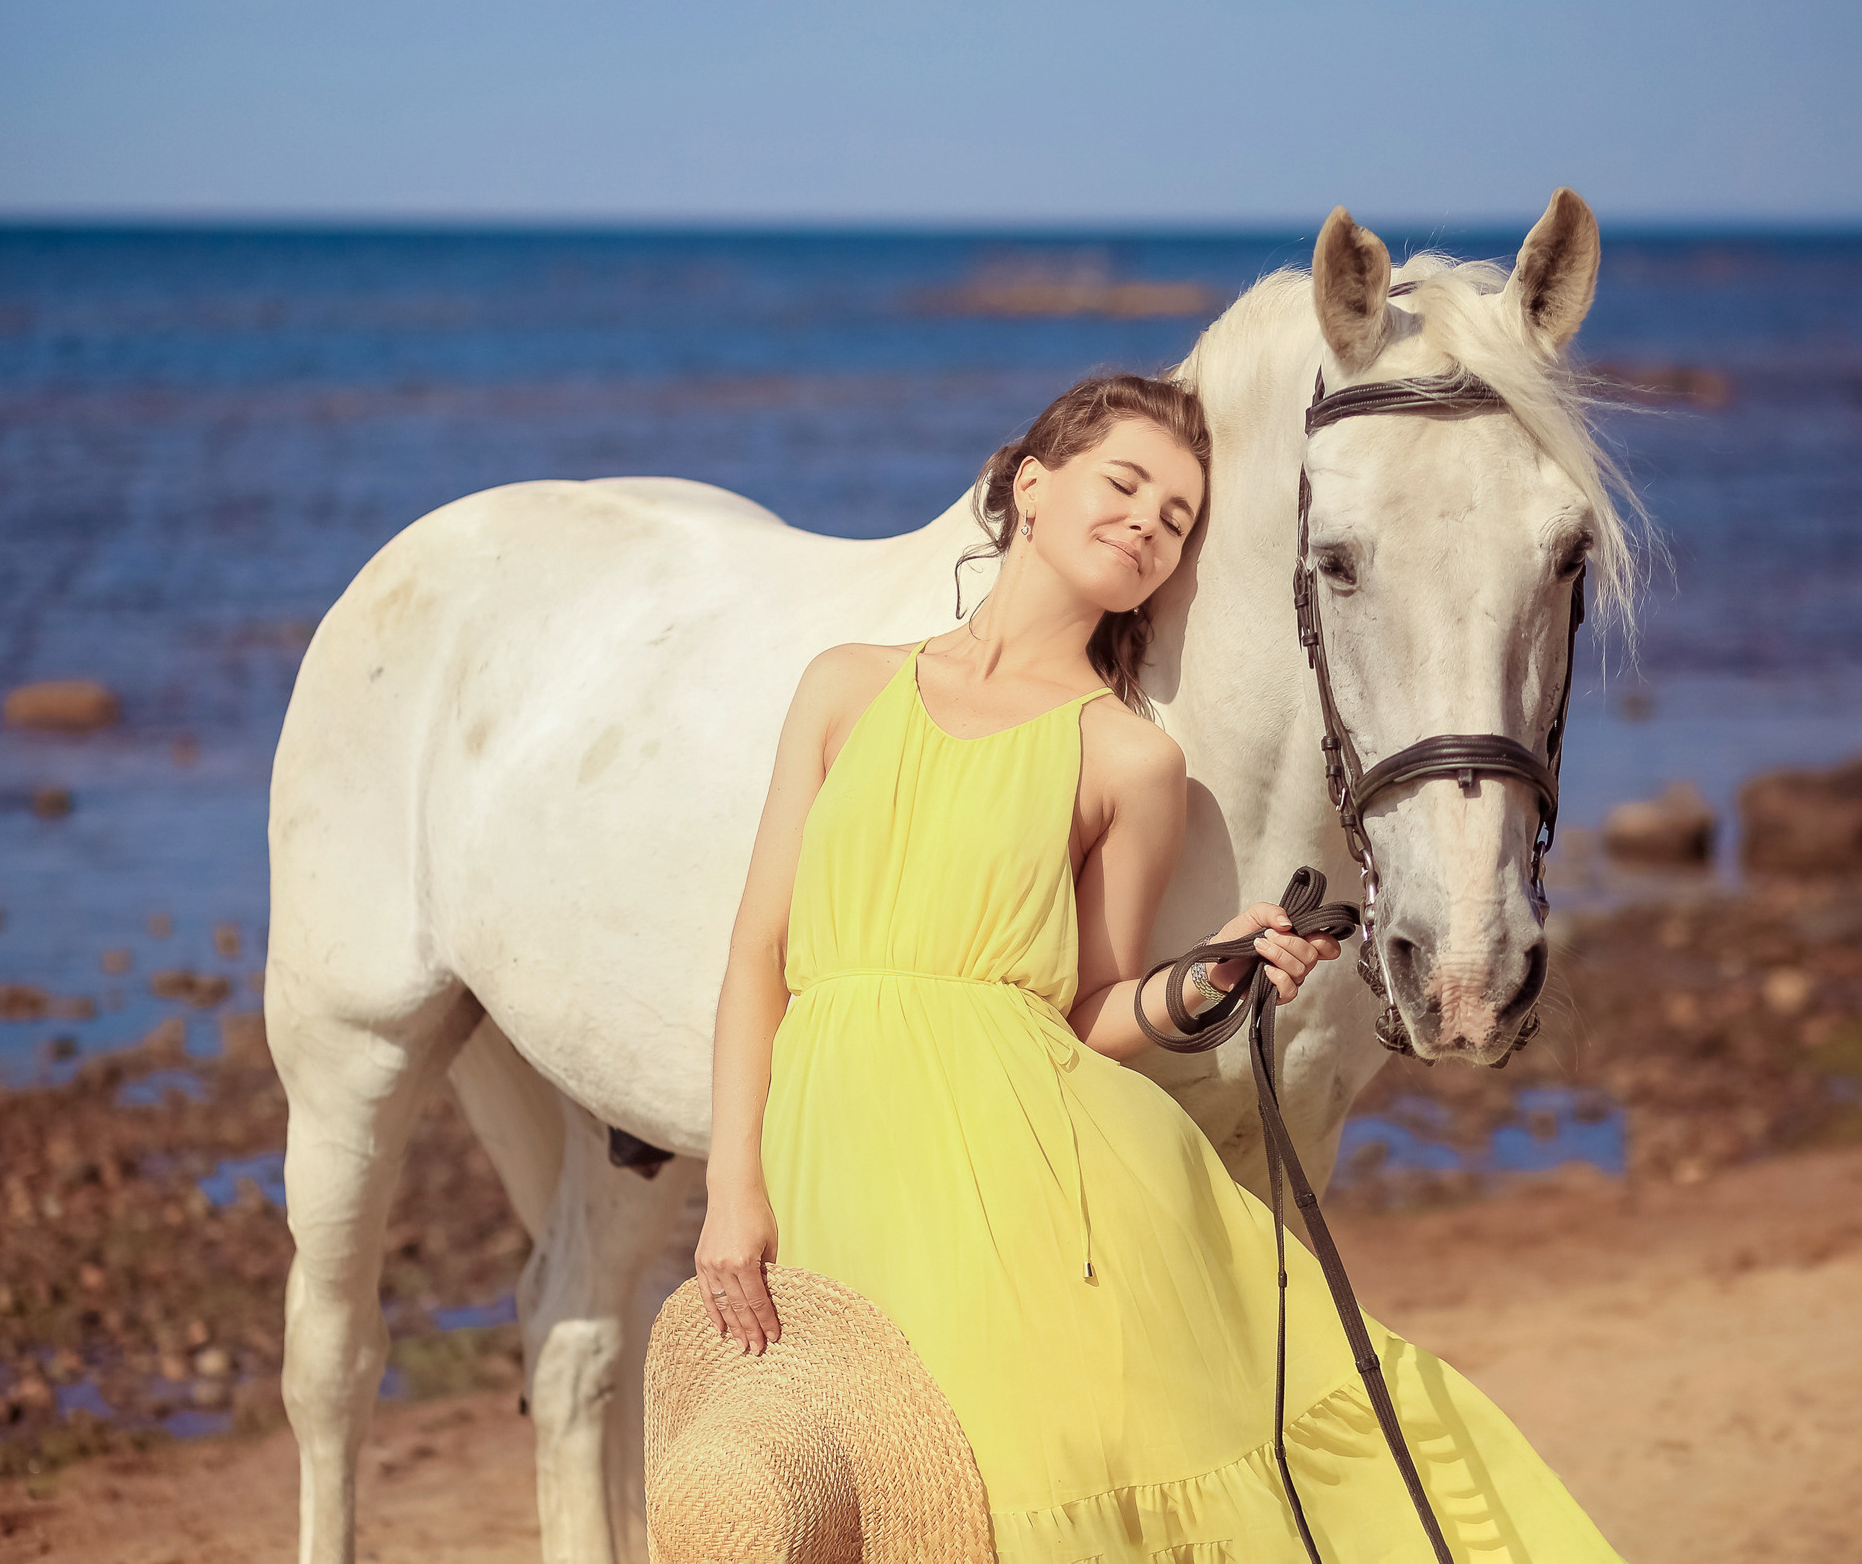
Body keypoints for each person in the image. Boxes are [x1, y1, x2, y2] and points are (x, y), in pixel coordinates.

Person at [695, 373, 1623, 1561]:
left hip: (1011, 1167)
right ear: (1031, 485)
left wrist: (1211, 974)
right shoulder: (846, 684)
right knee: (866, 1503)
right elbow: (758, 950)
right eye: (1124, 483)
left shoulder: (1130, 758)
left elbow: (1084, 1013)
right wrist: (734, 1189)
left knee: (1005, 1503)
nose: (1148, 521)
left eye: (1178, 518)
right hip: (831, 1145)